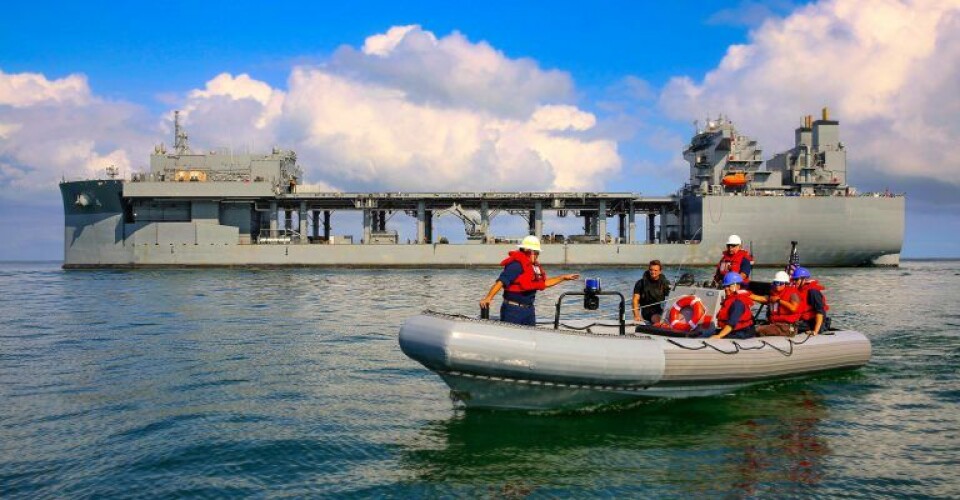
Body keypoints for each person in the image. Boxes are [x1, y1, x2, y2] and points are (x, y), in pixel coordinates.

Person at [479, 235, 579, 325]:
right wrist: (489, 298)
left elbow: (543, 283)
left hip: (529, 310)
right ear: (527, 251)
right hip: (512, 310)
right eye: (535, 252)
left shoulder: (534, 267)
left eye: (537, 253)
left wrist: (563, 278)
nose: (537, 255)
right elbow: (501, 282)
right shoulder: (516, 265)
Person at [751, 271, 802, 336]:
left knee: (757, 329)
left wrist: (779, 301)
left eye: (780, 283)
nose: (777, 285)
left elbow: (793, 308)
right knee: (753, 327)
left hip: (787, 327)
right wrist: (745, 294)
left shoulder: (793, 293)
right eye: (775, 283)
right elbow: (761, 298)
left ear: (785, 284)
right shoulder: (773, 294)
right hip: (775, 324)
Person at [709, 272, 756, 339]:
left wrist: (719, 336)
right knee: (708, 333)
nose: (726, 288)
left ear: (737, 286)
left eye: (728, 286)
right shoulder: (729, 300)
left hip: (742, 332)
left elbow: (731, 324)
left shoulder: (738, 303)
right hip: (733, 330)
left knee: (718, 336)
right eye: (725, 286)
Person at [792, 267, 830, 335]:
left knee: (790, 327)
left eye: (796, 279)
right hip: (805, 321)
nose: (794, 282)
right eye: (793, 279)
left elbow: (820, 312)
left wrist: (815, 331)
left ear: (804, 279)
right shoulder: (800, 291)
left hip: (814, 322)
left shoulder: (813, 292)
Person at [632, 259, 671, 324]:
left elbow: (672, 295)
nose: (653, 272)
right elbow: (635, 300)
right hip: (648, 311)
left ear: (660, 271)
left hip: (662, 309)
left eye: (655, 270)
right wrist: (637, 315)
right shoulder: (640, 283)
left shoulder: (665, 283)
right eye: (651, 270)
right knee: (658, 319)